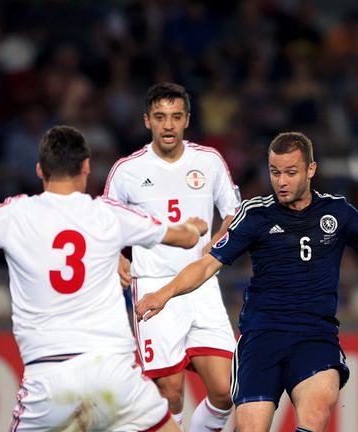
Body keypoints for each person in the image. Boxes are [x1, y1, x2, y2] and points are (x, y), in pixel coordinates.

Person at [0, 125, 206, 431]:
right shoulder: (108, 213)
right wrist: (195, 227)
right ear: (86, 167)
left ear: (40, 170)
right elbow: (185, 237)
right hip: (114, 371)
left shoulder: (15, 214)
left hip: (49, 379)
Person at [136, 131, 358, 432]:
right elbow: (206, 265)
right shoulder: (255, 214)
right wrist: (164, 293)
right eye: (275, 172)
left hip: (315, 335)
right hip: (262, 336)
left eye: (291, 172)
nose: (281, 181)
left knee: (319, 405)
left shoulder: (336, 211)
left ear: (311, 169)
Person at [104, 82, 241, 430]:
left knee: (226, 391)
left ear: (187, 120)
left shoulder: (208, 161)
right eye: (160, 117)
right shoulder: (127, 170)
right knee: (170, 391)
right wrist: (117, 256)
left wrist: (220, 239)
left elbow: (234, 211)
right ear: (146, 120)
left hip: (201, 286)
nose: (168, 125)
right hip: (153, 285)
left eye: (176, 117)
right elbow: (105, 222)